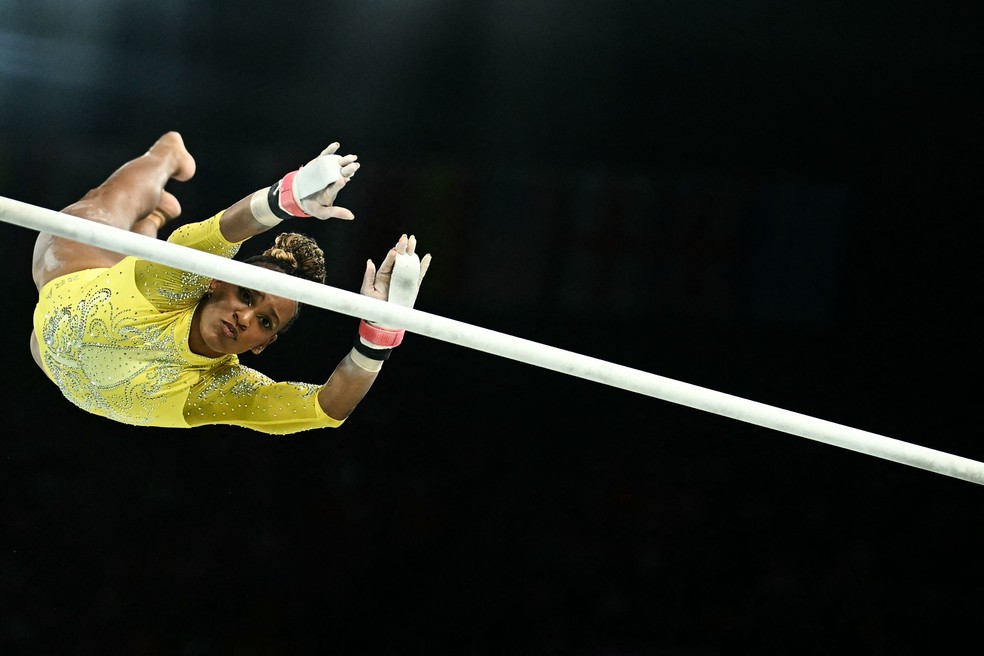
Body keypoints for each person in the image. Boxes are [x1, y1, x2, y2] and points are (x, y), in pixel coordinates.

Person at [29, 131, 431, 435]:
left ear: (262, 344)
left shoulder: (222, 390)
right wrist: (285, 198)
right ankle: (165, 155)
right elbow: (224, 232)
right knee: (101, 208)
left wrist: (379, 335)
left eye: (266, 321)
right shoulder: (176, 277)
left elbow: (325, 409)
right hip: (68, 283)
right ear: (215, 284)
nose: (245, 316)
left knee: (53, 333)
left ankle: (151, 222)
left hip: (51, 358)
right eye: (246, 294)